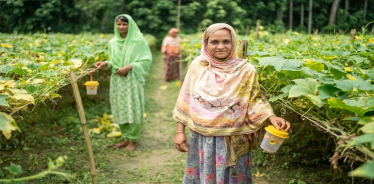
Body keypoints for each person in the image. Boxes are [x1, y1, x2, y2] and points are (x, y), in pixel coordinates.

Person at [173, 23, 291, 183]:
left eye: (226, 42)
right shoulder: (198, 66)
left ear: (233, 42)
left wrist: (272, 118)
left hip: (233, 138)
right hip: (202, 137)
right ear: (205, 43)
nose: (220, 47)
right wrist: (180, 132)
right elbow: (186, 98)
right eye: (214, 42)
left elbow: (254, 100)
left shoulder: (246, 70)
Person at [95, 14, 152, 151]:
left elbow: (146, 60)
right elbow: (114, 62)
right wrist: (105, 64)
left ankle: (133, 139)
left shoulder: (138, 41)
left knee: (133, 107)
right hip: (117, 80)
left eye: (124, 24)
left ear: (130, 25)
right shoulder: (113, 42)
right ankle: (125, 138)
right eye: (118, 24)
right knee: (121, 107)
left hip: (132, 79)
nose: (121, 27)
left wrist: (129, 67)